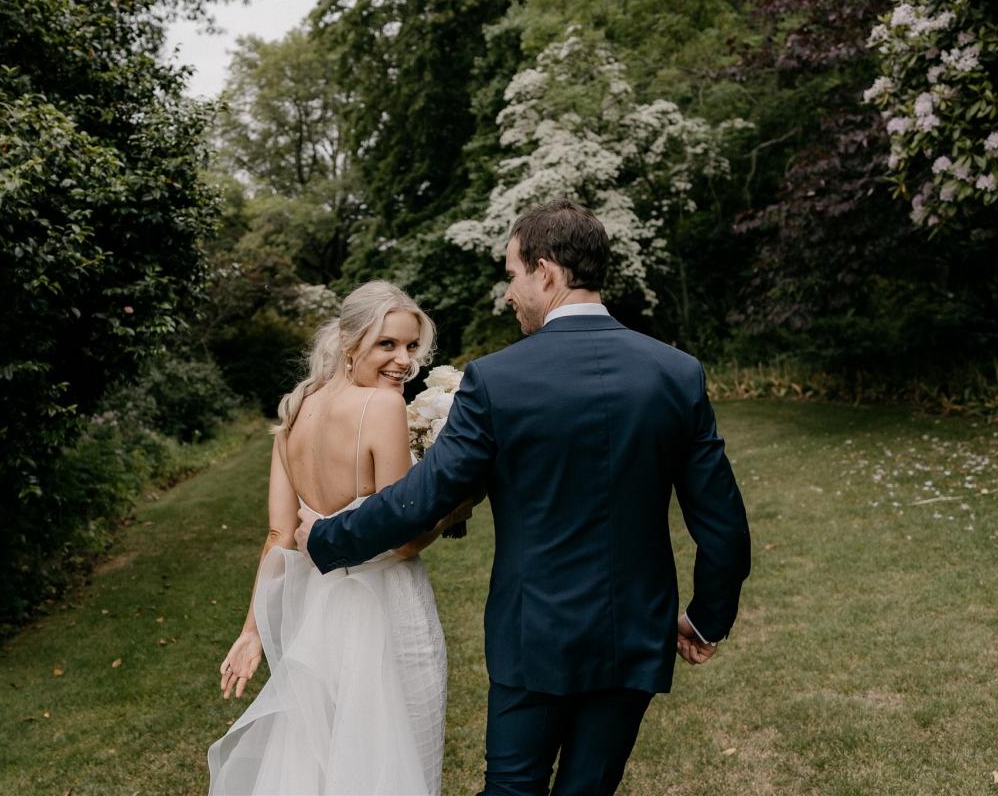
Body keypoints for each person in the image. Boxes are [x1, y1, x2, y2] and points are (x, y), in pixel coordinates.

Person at [296, 200, 752, 795]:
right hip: (633, 634)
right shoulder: (676, 373)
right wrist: (706, 618)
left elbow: (424, 496)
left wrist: (325, 537)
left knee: (512, 788)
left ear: (545, 272)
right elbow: (724, 528)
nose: (509, 292)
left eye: (512, 274)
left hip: (533, 633)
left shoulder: (497, 380)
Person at [208, 281, 469, 795]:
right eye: (386, 345)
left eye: (411, 346)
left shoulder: (295, 408)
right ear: (349, 344)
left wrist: (253, 631)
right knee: (395, 759)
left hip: (317, 614)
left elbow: (280, 534)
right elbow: (402, 538)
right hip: (386, 610)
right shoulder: (382, 408)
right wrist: (456, 505)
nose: (404, 362)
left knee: (321, 758)